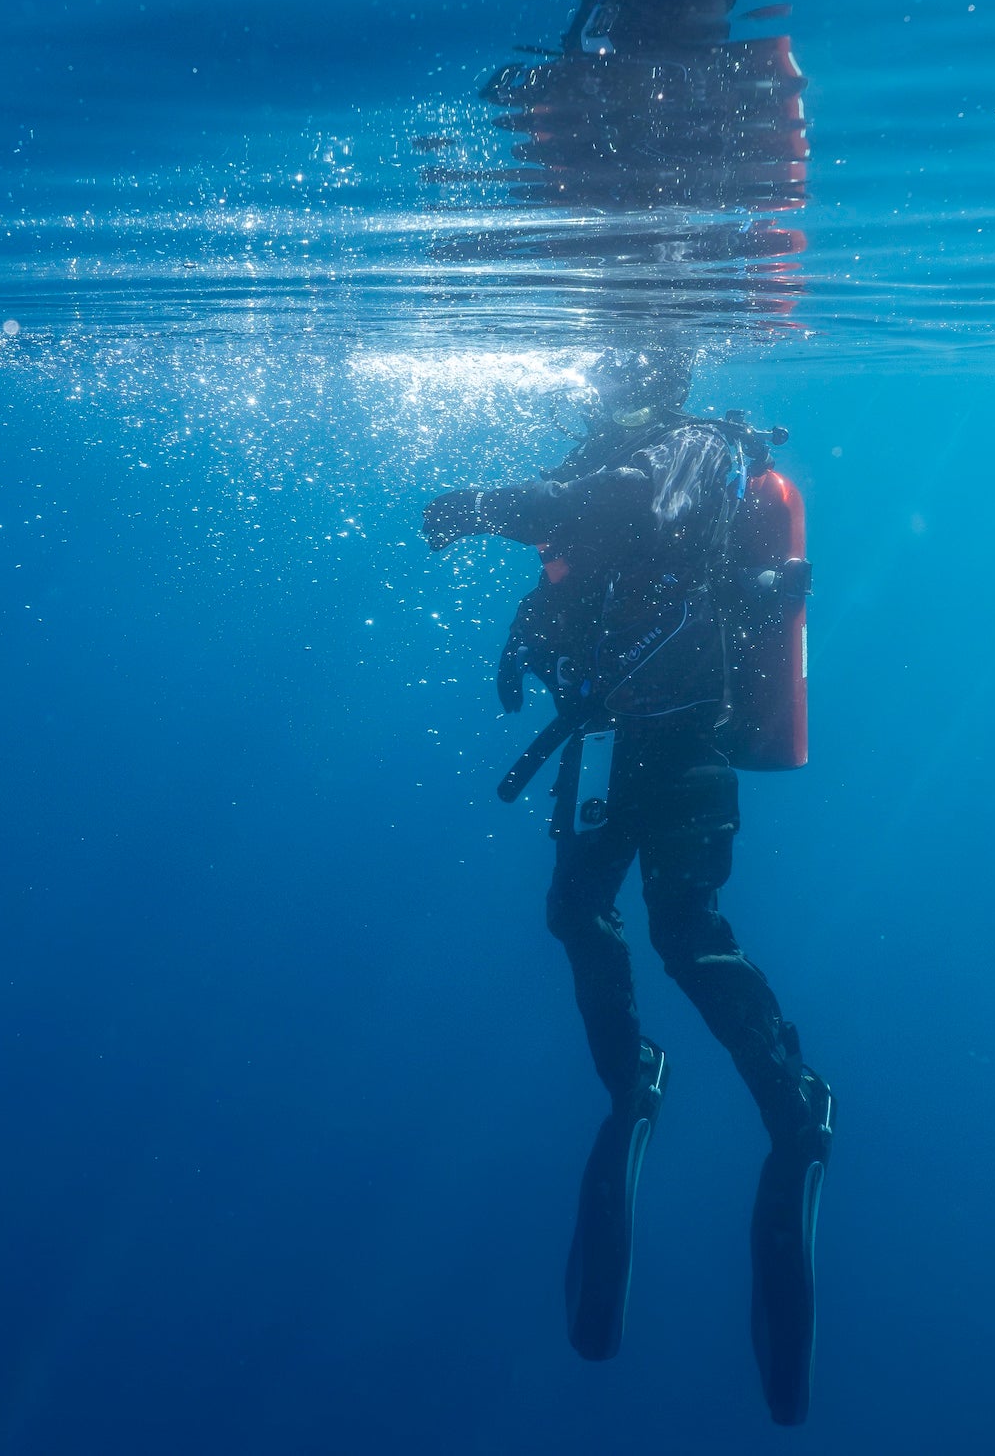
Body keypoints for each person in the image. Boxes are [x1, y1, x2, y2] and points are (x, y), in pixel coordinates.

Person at [422, 346, 831, 1424]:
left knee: (684, 932)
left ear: (662, 371)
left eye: (620, 366)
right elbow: (577, 550)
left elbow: (616, 508)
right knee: (574, 911)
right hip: (606, 740)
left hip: (683, 746)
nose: (600, 381)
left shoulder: (688, 448)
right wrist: (524, 634)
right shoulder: (606, 451)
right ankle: (632, 1078)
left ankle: (794, 1106)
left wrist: (480, 505)